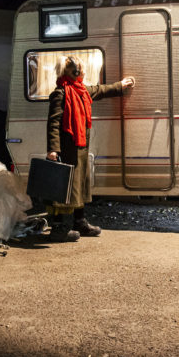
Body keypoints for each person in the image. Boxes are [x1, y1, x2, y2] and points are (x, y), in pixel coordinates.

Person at [46, 55, 135, 242]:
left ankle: (79, 222)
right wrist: (53, 149)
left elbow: (101, 90)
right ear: (74, 72)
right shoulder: (60, 93)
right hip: (66, 149)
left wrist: (120, 85)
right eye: (81, 69)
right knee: (62, 187)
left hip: (80, 148)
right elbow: (53, 124)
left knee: (80, 185)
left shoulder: (82, 91)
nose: (84, 72)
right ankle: (58, 227)